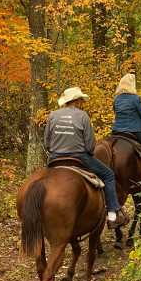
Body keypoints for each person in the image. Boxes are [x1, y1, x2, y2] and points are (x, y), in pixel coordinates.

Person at [44, 86, 129, 229]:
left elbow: (47, 142)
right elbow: (90, 146)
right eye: (81, 101)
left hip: (54, 158)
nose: (82, 103)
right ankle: (113, 214)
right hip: (79, 157)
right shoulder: (83, 116)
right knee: (108, 175)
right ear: (76, 101)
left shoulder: (53, 115)